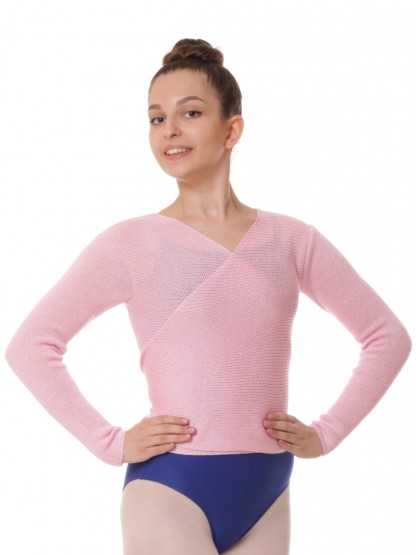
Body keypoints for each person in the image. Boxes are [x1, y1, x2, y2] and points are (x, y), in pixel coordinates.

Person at [4, 38, 412, 555]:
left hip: (268, 493)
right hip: (170, 487)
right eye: (156, 118)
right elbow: (31, 345)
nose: (169, 130)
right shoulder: (130, 244)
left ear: (231, 129)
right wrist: (109, 441)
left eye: (190, 113)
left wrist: (327, 433)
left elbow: (387, 337)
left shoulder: (291, 240)